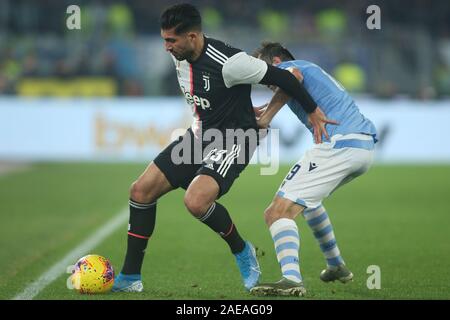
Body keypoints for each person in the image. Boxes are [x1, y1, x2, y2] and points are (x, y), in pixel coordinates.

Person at [112, 4, 331, 293]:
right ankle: (130, 278)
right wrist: (238, 107)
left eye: (171, 41)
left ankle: (242, 250)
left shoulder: (231, 62)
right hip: (199, 136)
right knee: (140, 191)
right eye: (164, 39)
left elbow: (286, 78)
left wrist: (313, 110)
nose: (166, 47)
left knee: (195, 201)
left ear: (192, 36)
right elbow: (209, 97)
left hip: (235, 140)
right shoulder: (181, 55)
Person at [249, 42, 377, 297]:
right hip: (362, 148)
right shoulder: (310, 68)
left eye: (267, 75)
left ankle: (291, 279)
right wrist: (263, 110)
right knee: (309, 202)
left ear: (275, 61)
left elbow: (291, 79)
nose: (268, 83)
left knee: (276, 212)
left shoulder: (290, 68)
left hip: (340, 144)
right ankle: (336, 265)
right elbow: (290, 86)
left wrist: (265, 119)